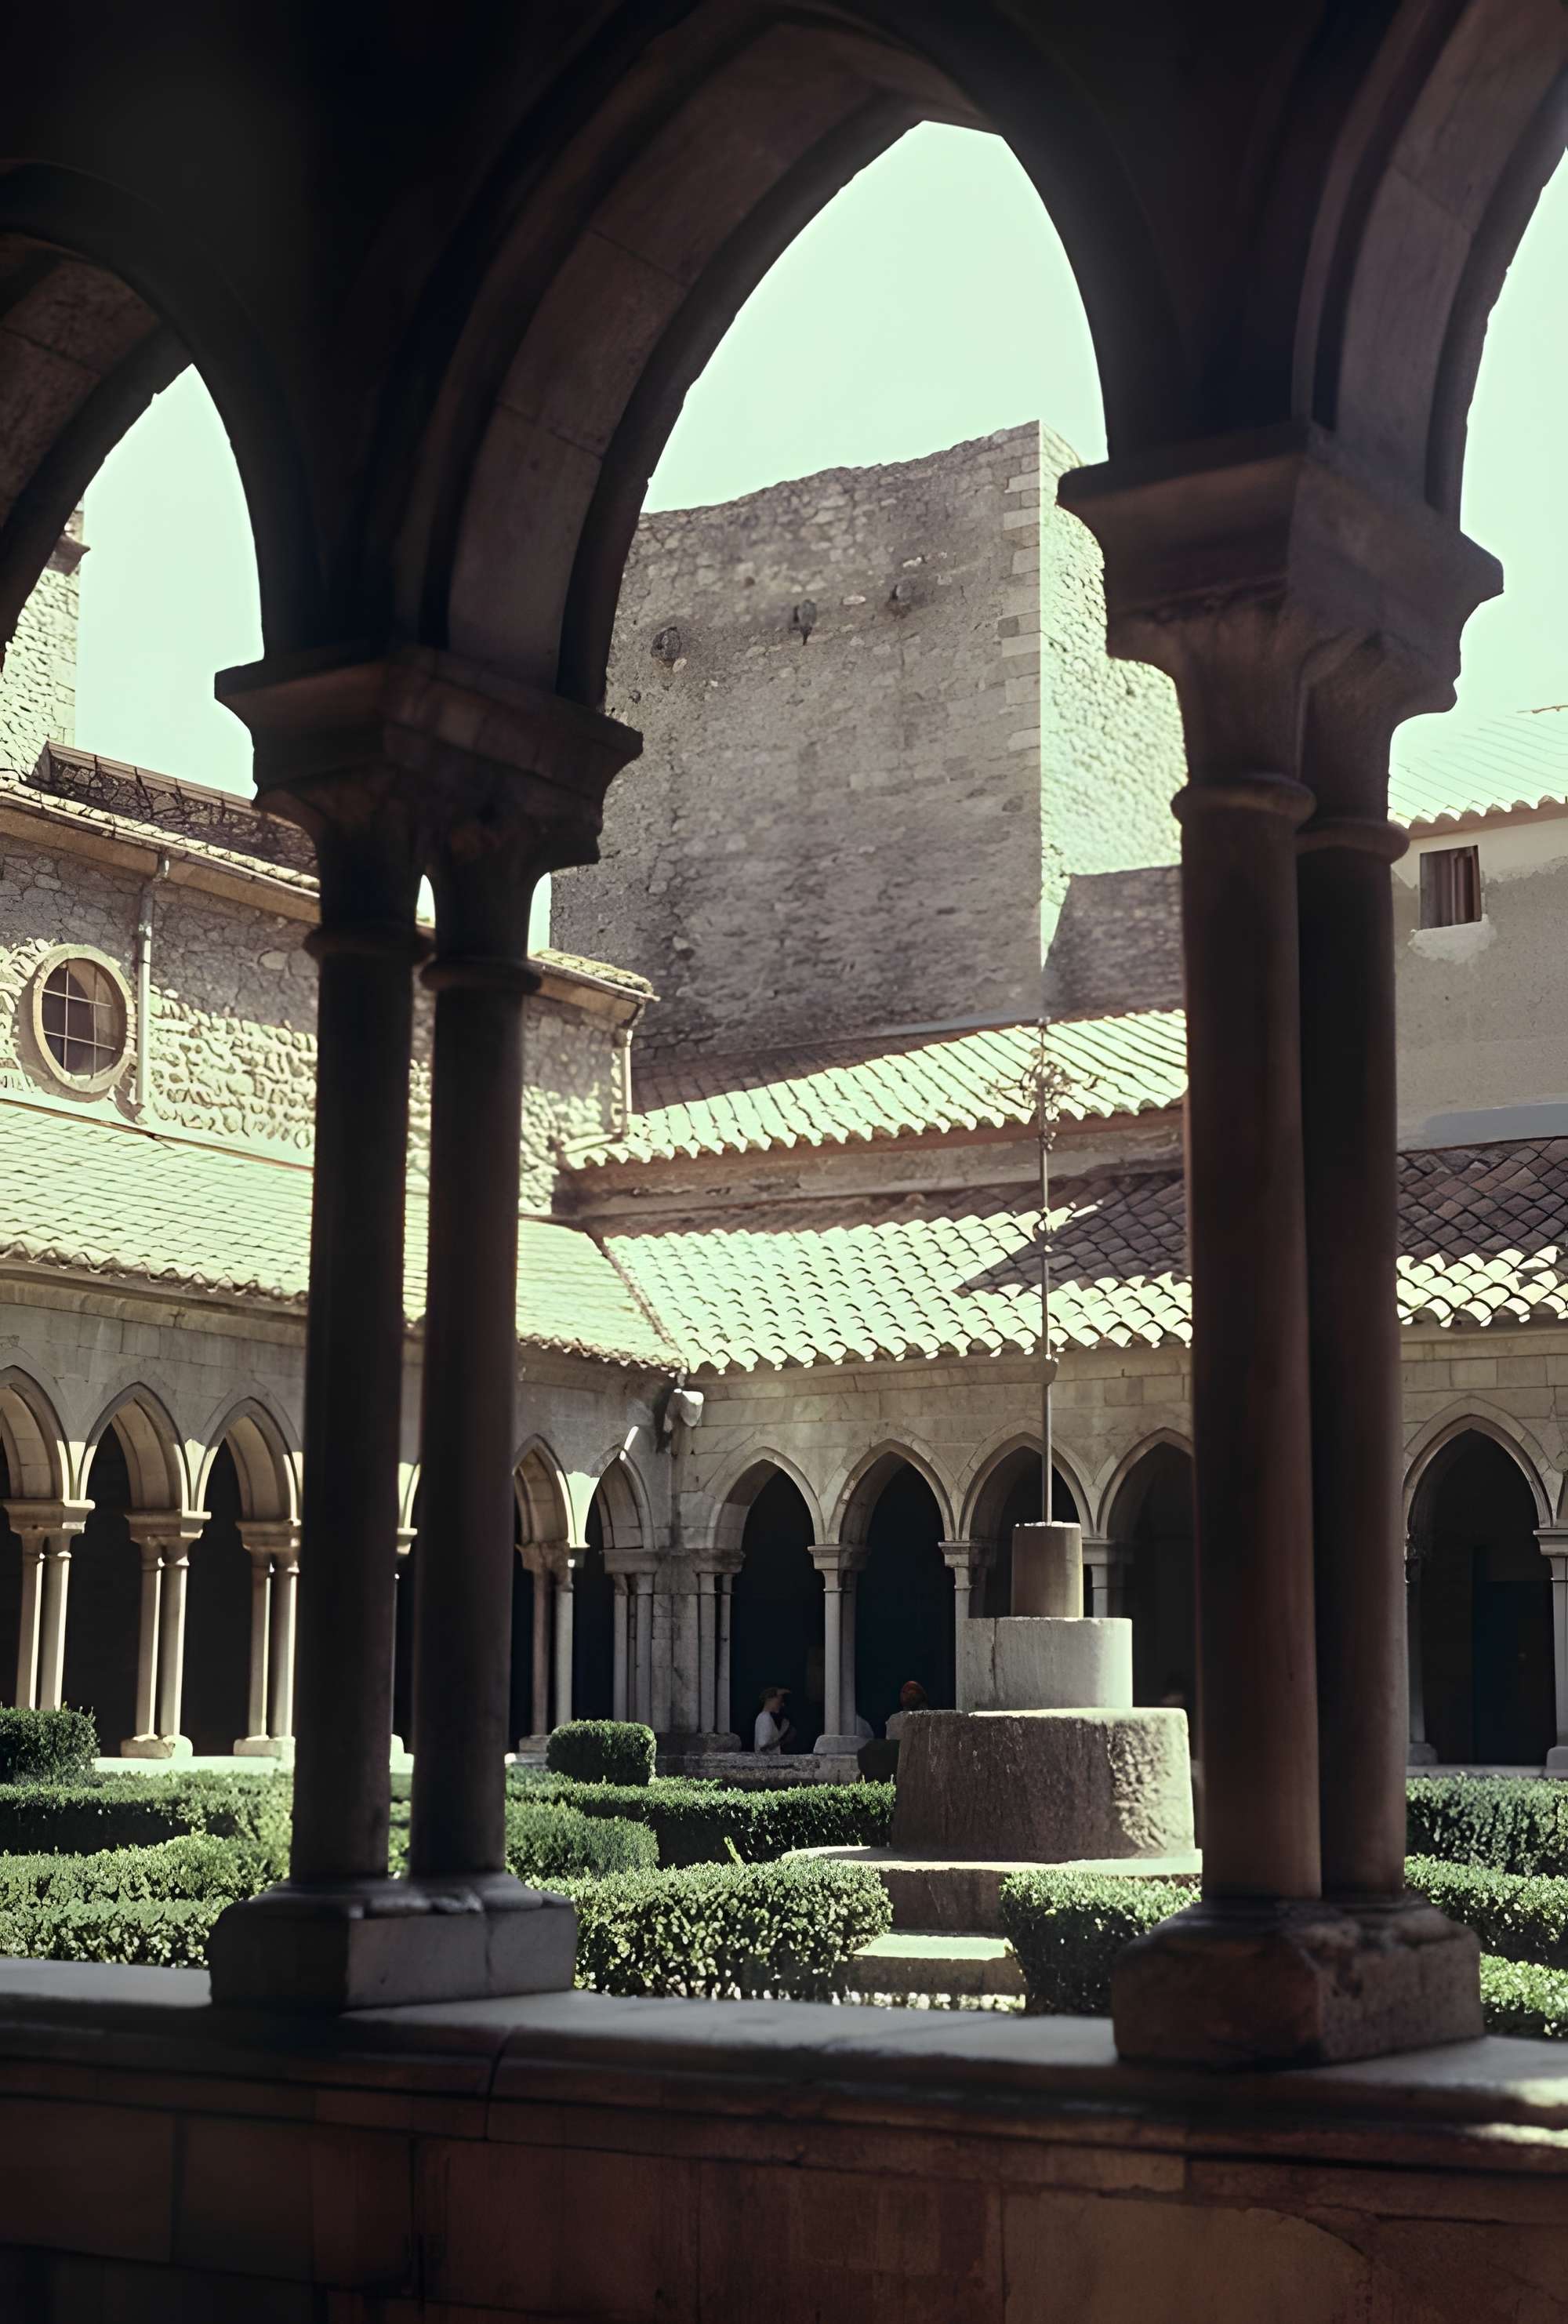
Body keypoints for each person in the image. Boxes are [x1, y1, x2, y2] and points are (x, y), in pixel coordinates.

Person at [884, 1678, 929, 1743]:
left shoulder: (929, 1721)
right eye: (905, 1692)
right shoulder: (895, 1721)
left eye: (912, 1695)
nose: (908, 1694)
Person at [753, 1686, 793, 1753]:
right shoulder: (765, 1718)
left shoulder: (765, 1717)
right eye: (780, 1700)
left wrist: (783, 1732)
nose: (782, 1704)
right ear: (770, 1699)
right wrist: (783, 1736)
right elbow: (763, 1747)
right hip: (766, 1762)